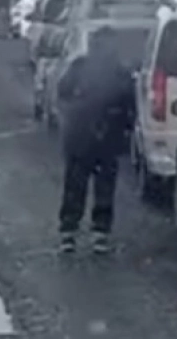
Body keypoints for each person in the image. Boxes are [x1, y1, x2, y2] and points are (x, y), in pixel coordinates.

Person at [55, 27, 135, 254]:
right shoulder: (120, 72)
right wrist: (124, 131)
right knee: (104, 187)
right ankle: (99, 232)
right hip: (106, 138)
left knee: (75, 186)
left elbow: (62, 92)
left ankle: (69, 231)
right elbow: (130, 107)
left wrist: (71, 116)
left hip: (79, 137)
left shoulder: (80, 67)